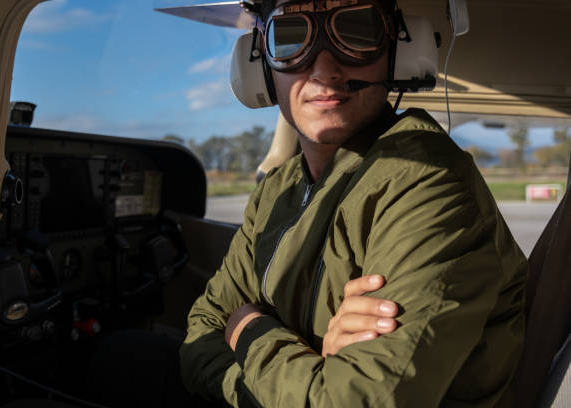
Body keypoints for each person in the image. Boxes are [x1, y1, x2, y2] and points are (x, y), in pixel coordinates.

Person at [180, 0, 527, 406]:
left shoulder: (426, 183)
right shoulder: (275, 192)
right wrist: (308, 369)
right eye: (291, 38)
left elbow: (353, 400)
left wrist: (248, 331)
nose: (325, 69)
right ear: (260, 62)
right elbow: (199, 336)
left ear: (396, 51)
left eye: (356, 32)